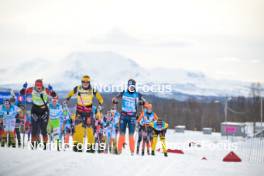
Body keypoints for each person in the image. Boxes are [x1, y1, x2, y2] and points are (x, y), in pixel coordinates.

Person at [65, 75, 103, 152]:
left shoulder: (93, 90)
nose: (85, 83)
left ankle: (90, 147)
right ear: (81, 82)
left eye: (87, 82)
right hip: (79, 111)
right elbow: (70, 93)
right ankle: (78, 146)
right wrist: (67, 99)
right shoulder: (78, 88)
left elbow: (100, 98)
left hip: (89, 112)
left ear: (89, 82)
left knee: (90, 129)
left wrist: (100, 104)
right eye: (83, 82)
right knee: (78, 128)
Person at [20, 79, 57, 149]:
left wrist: (51, 90)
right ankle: (33, 145)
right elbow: (22, 93)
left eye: (40, 86)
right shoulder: (31, 89)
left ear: (42, 85)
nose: (39, 88)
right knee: (34, 128)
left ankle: (45, 146)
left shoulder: (46, 90)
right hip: (35, 110)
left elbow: (54, 95)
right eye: (37, 86)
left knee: (43, 129)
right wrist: (24, 88)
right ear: (35, 85)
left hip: (44, 110)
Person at [112, 79, 146, 155]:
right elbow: (115, 98)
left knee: (131, 135)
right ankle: (119, 150)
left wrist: (142, 102)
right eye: (130, 86)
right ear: (127, 86)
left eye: (133, 86)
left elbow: (145, 102)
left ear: (134, 87)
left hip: (132, 117)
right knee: (121, 134)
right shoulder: (123, 93)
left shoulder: (138, 94)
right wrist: (114, 100)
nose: (131, 88)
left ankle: (132, 151)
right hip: (123, 116)